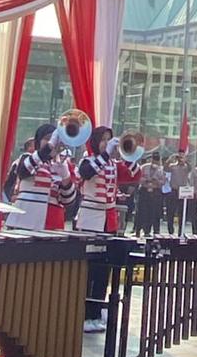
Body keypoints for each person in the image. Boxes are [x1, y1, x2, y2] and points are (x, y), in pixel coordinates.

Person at [76, 127, 117, 333]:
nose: (106, 143)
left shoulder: (111, 163)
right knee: (89, 270)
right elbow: (86, 173)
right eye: (103, 140)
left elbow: (131, 175)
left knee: (103, 270)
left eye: (108, 140)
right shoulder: (88, 160)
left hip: (107, 220)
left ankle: (97, 310)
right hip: (90, 218)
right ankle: (84, 312)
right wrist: (105, 154)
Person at [8, 123, 77, 230]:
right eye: (47, 138)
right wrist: (48, 148)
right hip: (27, 219)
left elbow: (68, 201)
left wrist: (66, 177)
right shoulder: (28, 157)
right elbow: (23, 171)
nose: (52, 141)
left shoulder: (63, 163)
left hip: (53, 222)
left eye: (54, 139)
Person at [164, 153, 190, 233]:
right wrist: (170, 159)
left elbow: (190, 168)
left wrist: (185, 160)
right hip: (174, 190)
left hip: (182, 191)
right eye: (179, 158)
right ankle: (170, 229)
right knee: (170, 211)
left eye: (181, 158)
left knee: (182, 212)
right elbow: (165, 168)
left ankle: (181, 230)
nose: (180, 159)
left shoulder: (186, 167)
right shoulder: (173, 166)